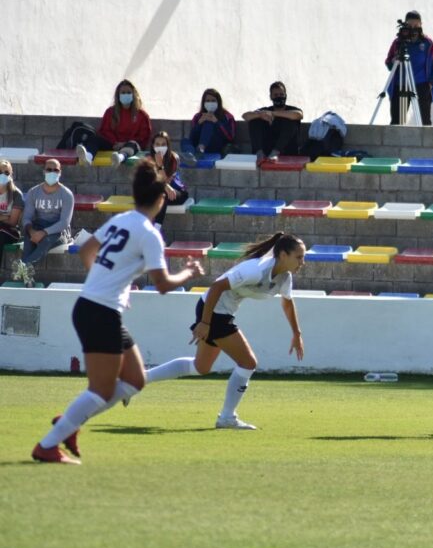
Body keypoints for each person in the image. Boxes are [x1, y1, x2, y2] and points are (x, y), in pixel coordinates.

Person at [31, 160, 203, 464]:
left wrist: (108, 282)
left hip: (97, 307)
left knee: (135, 381)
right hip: (99, 311)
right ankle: (48, 444)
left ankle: (69, 423)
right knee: (101, 389)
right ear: (162, 199)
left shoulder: (122, 219)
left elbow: (86, 251)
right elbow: (163, 284)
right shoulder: (150, 234)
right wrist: (189, 273)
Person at [141, 232, 306, 429]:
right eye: (299, 257)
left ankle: (140, 379)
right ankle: (227, 417)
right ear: (282, 255)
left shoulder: (284, 277)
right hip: (213, 311)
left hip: (221, 313)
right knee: (248, 363)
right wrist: (205, 323)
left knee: (200, 367)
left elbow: (287, 303)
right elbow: (217, 286)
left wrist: (296, 333)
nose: (302, 262)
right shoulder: (256, 269)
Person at [13, 159, 74, 286]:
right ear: (44, 171)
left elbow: (64, 222)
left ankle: (23, 266)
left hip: (58, 230)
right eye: (49, 169)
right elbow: (27, 218)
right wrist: (32, 231)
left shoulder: (67, 194)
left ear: (60, 172)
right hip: (38, 226)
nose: (52, 172)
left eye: (55, 170)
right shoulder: (33, 192)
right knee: (28, 240)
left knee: (45, 241)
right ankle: (27, 278)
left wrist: (43, 233)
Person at [76, 79, 153, 168]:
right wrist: (115, 143)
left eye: (128, 92)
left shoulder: (142, 115)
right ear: (118, 95)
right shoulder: (110, 112)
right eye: (123, 93)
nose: (125, 95)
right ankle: (88, 157)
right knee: (95, 139)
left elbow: (143, 136)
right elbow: (105, 131)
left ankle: (120, 157)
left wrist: (124, 143)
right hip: (113, 144)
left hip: (130, 147)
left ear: (134, 94)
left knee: (133, 144)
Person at [385, 10, 433, 125]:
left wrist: (430, 83)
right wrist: (394, 60)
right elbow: (389, 63)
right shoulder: (398, 43)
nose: (413, 28)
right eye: (410, 25)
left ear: (421, 25)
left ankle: (424, 142)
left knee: (424, 121)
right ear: (405, 24)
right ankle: (397, 142)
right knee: (398, 121)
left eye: (416, 25)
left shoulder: (427, 44)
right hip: (401, 85)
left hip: (422, 86)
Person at [242, 82, 304, 162]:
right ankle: (259, 153)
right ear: (271, 97)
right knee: (254, 119)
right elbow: (245, 116)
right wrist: (260, 114)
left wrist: (273, 113)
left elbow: (298, 115)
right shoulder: (265, 110)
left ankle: (276, 152)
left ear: (285, 95)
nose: (279, 97)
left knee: (291, 121)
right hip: (267, 150)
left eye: (281, 94)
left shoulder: (292, 110)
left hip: (286, 150)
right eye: (275, 95)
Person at [180, 88, 237, 166]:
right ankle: (190, 156)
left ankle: (200, 150)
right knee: (185, 141)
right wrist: (200, 123)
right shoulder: (198, 116)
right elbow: (192, 137)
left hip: (217, 145)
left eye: (213, 101)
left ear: (218, 102)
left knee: (208, 123)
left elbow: (231, 137)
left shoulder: (227, 116)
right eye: (207, 101)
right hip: (197, 146)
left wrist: (216, 122)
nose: (210, 103)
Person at [149, 131, 189, 228]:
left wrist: (160, 166)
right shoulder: (148, 159)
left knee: (162, 193)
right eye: (157, 144)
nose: (160, 147)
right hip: (160, 192)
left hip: (176, 192)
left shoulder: (174, 158)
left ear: (168, 145)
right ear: (153, 146)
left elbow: (166, 181)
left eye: (163, 144)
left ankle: (156, 229)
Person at [0, 159, 25, 250]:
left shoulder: (16, 194)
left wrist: (4, 218)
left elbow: (12, 222)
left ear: (11, 174)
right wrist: (6, 217)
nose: (2, 175)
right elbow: (9, 218)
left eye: (6, 173)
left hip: (11, 231)